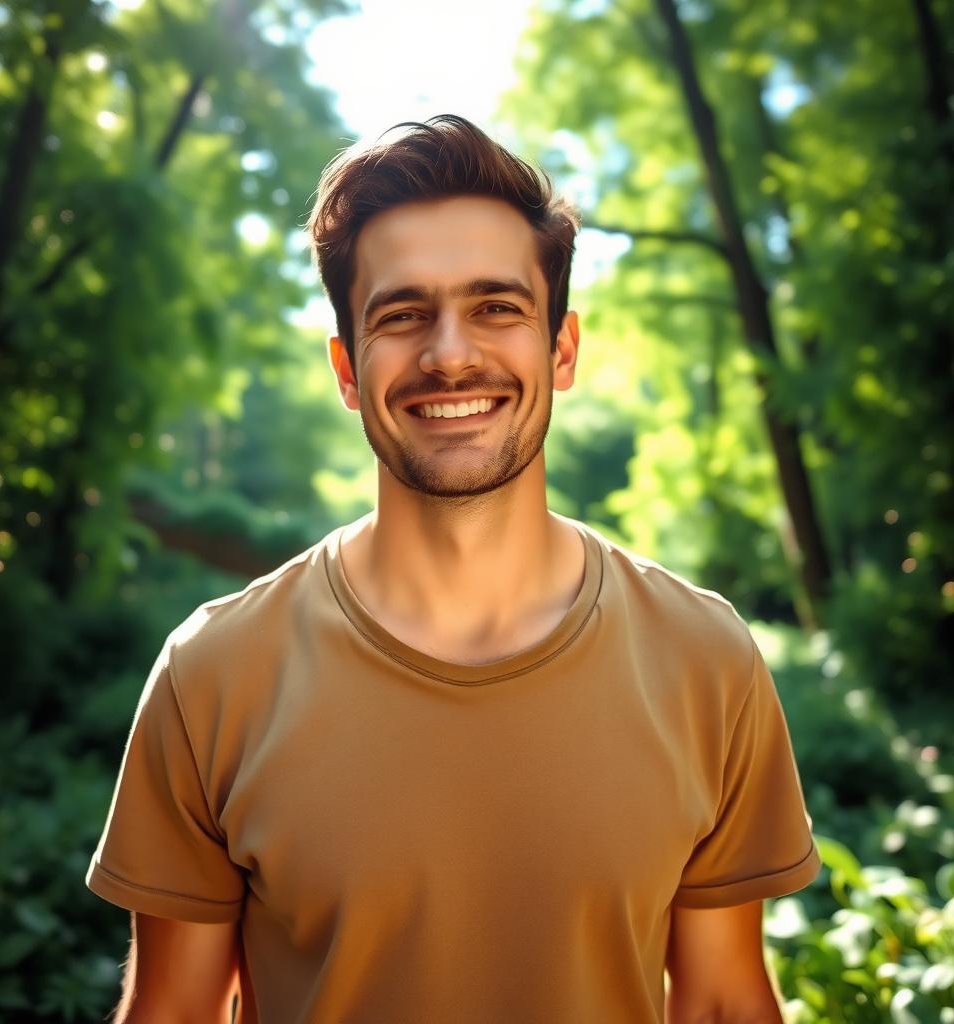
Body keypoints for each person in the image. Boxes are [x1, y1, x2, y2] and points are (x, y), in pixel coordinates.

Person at [87, 114, 821, 1024]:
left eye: (497, 307)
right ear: (348, 368)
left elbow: (718, 1004)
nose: (449, 354)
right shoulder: (212, 676)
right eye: (402, 315)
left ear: (562, 350)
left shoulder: (706, 659)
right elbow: (174, 1013)